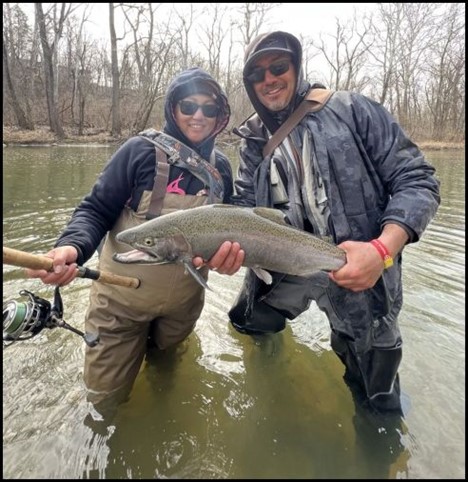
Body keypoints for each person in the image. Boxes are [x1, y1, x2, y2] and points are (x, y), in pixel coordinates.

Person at [204, 31, 440, 415]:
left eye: (278, 67)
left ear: (296, 67)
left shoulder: (353, 109)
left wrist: (381, 250)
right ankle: (271, 391)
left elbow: (418, 181)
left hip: (359, 268)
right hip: (281, 269)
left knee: (376, 397)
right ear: (250, 84)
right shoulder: (252, 141)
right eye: (258, 74)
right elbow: (244, 206)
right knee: (247, 323)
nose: (270, 79)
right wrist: (226, 252)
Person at [26, 67, 234, 408]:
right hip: (119, 308)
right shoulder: (138, 151)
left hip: (184, 305)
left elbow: (232, 230)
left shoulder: (221, 168)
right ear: (172, 108)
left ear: (220, 115)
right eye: (188, 106)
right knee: (103, 403)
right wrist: (71, 247)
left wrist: (230, 259)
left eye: (209, 108)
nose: (199, 116)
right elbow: (95, 209)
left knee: (166, 378)